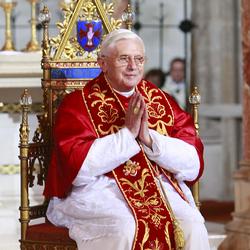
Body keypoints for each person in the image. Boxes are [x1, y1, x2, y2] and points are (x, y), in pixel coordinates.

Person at [44, 29, 210, 250]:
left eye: (138, 59)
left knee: (193, 224)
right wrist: (127, 135)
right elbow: (76, 166)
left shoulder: (161, 101)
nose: (133, 66)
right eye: (124, 59)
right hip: (99, 189)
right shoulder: (78, 104)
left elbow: (193, 163)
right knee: (124, 227)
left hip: (158, 186)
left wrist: (150, 140)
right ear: (102, 63)